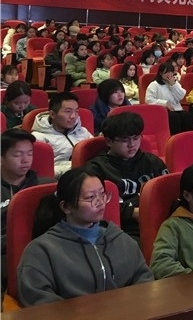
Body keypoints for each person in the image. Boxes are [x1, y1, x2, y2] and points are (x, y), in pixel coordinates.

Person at [17, 168, 152, 306]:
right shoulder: (41, 251)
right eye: (90, 197)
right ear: (66, 207)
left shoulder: (121, 239)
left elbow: (144, 280)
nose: (100, 202)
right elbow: (39, 300)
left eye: (102, 194)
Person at [84, 112, 168, 239]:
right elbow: (93, 206)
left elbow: (167, 194)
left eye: (136, 138)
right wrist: (132, 213)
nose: (132, 144)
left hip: (160, 221)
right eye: (125, 140)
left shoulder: (153, 162)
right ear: (109, 141)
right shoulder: (96, 169)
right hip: (122, 228)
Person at [1, 129, 56, 290]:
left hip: (45, 249)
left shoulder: (47, 186)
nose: (25, 160)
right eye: (17, 155)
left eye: (29, 154)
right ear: (1, 157)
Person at [31, 92, 92, 177]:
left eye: (76, 111)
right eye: (68, 111)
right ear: (52, 114)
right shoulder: (39, 137)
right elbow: (42, 171)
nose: (73, 116)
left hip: (88, 174)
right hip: (62, 179)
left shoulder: (83, 131)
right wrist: (74, 168)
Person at [145, 62, 193, 135]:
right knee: (174, 117)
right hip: (163, 111)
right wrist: (165, 103)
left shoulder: (175, 83)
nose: (169, 74)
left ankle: (187, 138)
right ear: (161, 73)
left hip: (177, 109)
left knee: (187, 116)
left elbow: (181, 96)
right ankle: (175, 139)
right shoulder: (154, 85)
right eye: (167, 72)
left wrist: (173, 85)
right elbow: (149, 100)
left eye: (171, 72)